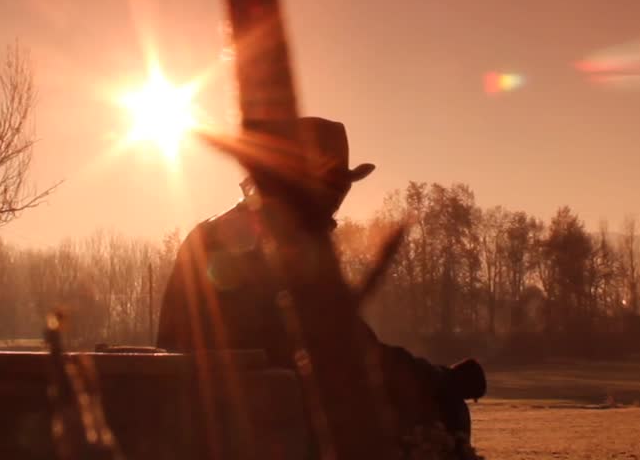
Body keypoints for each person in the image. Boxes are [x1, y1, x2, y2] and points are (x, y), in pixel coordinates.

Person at [156, 116, 484, 447]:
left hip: (201, 414)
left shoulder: (207, 232)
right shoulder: (286, 246)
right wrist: (441, 380)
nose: (337, 200)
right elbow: (349, 350)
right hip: (267, 425)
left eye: (341, 187)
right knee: (444, 413)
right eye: (332, 185)